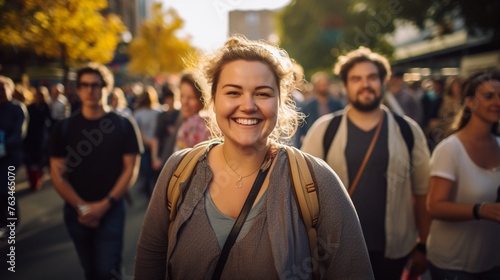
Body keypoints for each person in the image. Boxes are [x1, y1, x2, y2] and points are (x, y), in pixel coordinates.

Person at [134, 36, 373, 279]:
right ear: (213, 102)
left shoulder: (316, 180)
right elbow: (150, 261)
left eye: (262, 94)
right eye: (233, 92)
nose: (248, 105)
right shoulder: (179, 170)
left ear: (280, 104)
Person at [301, 47, 431, 280]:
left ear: (383, 82)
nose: (365, 84)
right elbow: (301, 190)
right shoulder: (324, 130)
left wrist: (423, 245)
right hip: (335, 249)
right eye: (356, 79)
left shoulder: (408, 130)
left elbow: (422, 193)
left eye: (372, 77)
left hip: (393, 251)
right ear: (345, 85)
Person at [49, 63, 141, 280]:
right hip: (75, 212)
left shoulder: (123, 125)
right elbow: (57, 174)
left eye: (96, 85)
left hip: (111, 209)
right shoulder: (63, 128)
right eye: (84, 85)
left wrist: (103, 206)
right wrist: (82, 208)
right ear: (78, 89)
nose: (90, 90)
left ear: (106, 88)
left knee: (108, 270)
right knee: (90, 270)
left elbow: (131, 169)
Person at [426, 71, 500, 280]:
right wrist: (482, 210)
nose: (497, 102)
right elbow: (434, 206)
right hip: (454, 265)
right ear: (469, 102)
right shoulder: (449, 149)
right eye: (488, 96)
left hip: (493, 262)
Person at [0, 75, 28, 240]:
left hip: (11, 156)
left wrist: (4, 145)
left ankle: (13, 223)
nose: (1, 92)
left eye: (4, 89)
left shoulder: (18, 109)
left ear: (11, 90)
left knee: (5, 188)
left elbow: (19, 133)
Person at [23, 86, 53, 191]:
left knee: (39, 157)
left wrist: (49, 134)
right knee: (31, 158)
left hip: (41, 135)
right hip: (31, 135)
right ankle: (34, 180)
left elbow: (50, 121)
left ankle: (39, 176)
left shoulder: (45, 107)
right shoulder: (30, 107)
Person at [151, 83, 181, 183]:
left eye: (171, 98)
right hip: (163, 154)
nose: (169, 101)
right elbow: (156, 137)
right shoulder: (162, 116)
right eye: (167, 98)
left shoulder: (180, 115)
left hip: (177, 154)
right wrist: (155, 157)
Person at [133, 85, 161, 196]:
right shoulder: (157, 111)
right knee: (149, 172)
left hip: (150, 145)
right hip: (148, 145)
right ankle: (150, 194)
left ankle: (152, 194)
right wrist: (149, 141)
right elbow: (137, 129)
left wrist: (148, 140)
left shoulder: (156, 111)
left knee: (151, 172)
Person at [173, 73, 209, 151]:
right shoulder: (183, 119)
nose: (184, 101)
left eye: (191, 97)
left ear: (202, 99)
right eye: (182, 96)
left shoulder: (196, 123)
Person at [300, 72, 343, 136]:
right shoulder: (308, 106)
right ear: (316, 87)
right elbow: (303, 127)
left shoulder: (337, 104)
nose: (323, 88)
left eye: (324, 85)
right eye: (320, 85)